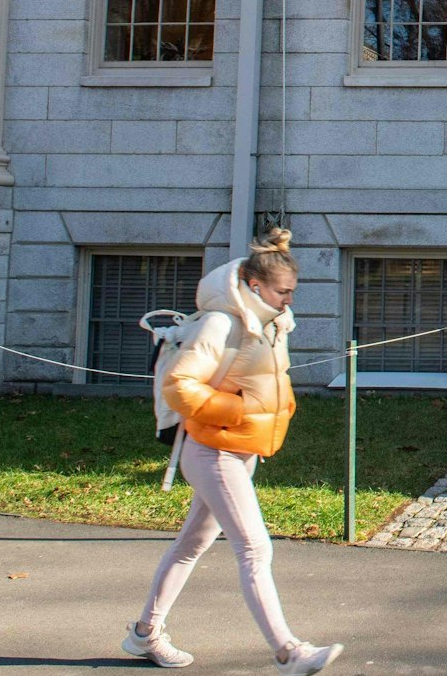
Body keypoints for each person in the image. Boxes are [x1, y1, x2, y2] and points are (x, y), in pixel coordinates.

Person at [123, 229, 344, 674]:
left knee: (191, 544)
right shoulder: (220, 323)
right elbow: (180, 385)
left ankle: (144, 633)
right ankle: (288, 652)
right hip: (212, 450)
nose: (288, 301)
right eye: (282, 292)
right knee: (254, 549)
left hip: (237, 449)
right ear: (256, 286)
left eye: (292, 293)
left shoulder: (264, 323)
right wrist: (238, 411)